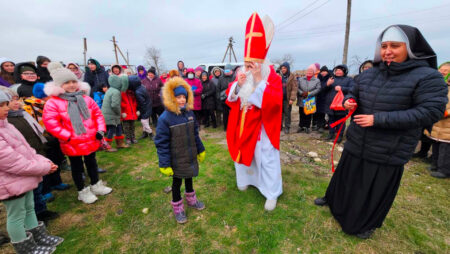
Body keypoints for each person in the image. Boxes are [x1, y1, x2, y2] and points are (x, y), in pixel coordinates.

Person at [314, 25, 448, 239]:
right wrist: (350, 101)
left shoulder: (428, 77)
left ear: (411, 49)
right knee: (346, 175)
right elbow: (353, 92)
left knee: (372, 187)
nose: (388, 51)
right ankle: (334, 201)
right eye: (384, 46)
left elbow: (430, 111)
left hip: (389, 147)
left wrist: (378, 120)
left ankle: (364, 223)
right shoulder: (371, 73)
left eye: (395, 46)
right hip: (358, 140)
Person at [226, 12, 283, 211]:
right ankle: (246, 181)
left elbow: (274, 102)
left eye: (253, 64)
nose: (249, 67)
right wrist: (238, 85)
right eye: (247, 64)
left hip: (262, 127)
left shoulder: (272, 76)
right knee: (243, 155)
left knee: (265, 158)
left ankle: (271, 193)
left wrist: (259, 79)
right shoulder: (242, 73)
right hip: (242, 124)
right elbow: (231, 97)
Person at [0, 89, 63, 253]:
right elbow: (12, 162)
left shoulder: (7, 126)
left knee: (29, 207)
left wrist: (45, 161)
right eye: (1, 105)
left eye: (5, 104)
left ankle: (38, 237)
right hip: (9, 183)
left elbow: (27, 150)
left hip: (23, 179)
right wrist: (43, 168)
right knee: (16, 215)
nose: (6, 108)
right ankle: (25, 247)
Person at [43, 62, 113, 204]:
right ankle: (83, 191)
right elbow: (51, 124)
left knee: (92, 162)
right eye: (67, 82)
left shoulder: (86, 98)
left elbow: (98, 115)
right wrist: (67, 136)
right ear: (58, 85)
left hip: (91, 138)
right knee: (77, 167)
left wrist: (100, 129)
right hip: (72, 141)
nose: (71, 85)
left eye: (74, 81)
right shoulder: (53, 103)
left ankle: (96, 184)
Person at [154, 77, 206, 224]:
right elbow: (161, 142)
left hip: (189, 155)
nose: (182, 100)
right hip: (176, 158)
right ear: (172, 98)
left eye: (184, 97)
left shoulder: (190, 114)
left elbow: (195, 134)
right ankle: (178, 207)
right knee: (177, 183)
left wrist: (200, 150)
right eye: (178, 97)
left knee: (189, 178)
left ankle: (191, 200)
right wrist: (164, 163)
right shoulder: (165, 118)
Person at [423, 61, 450, 178]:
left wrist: (446, 113)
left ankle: (444, 170)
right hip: (437, 123)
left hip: (447, 125)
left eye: (446, 70)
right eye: (441, 69)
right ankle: (435, 164)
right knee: (436, 144)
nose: (443, 72)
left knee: (446, 149)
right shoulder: (441, 86)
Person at [324, 64, 355, 143]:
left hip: (341, 104)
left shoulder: (349, 80)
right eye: (336, 70)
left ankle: (339, 136)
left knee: (340, 121)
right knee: (331, 120)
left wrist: (342, 88)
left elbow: (353, 89)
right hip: (330, 104)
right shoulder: (331, 78)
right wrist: (327, 84)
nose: (338, 71)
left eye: (340, 70)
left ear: (344, 71)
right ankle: (331, 134)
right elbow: (324, 89)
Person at [102, 75, 129, 150]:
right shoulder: (116, 92)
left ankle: (120, 143)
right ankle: (107, 146)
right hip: (111, 115)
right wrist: (119, 113)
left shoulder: (110, 90)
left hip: (109, 114)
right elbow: (114, 105)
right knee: (112, 129)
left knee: (118, 127)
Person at [297, 64, 321, 133]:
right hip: (302, 98)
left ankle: (307, 126)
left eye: (311, 71)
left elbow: (318, 89)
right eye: (308, 71)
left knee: (308, 114)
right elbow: (297, 87)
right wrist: (301, 93)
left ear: (313, 72)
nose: (309, 73)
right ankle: (301, 126)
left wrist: (309, 93)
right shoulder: (301, 79)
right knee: (301, 113)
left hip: (310, 98)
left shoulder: (317, 80)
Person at [128, 75, 154, 140]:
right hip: (148, 105)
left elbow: (141, 102)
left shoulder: (137, 92)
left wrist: (140, 110)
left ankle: (151, 134)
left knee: (143, 121)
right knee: (145, 120)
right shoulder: (141, 87)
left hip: (145, 107)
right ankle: (145, 133)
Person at [280, 62, 297, 134]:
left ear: (288, 68)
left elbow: (294, 88)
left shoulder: (292, 77)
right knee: (280, 113)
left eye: (284, 68)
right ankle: (279, 126)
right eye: (282, 68)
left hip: (287, 98)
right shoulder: (280, 76)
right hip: (279, 98)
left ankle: (287, 127)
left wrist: (292, 99)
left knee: (287, 113)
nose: (283, 69)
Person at [121, 79, 138, 145]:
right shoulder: (122, 93)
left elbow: (135, 101)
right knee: (126, 126)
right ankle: (128, 138)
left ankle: (133, 137)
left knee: (132, 126)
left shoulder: (132, 93)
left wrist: (134, 106)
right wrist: (124, 106)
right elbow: (120, 102)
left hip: (132, 111)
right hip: (126, 112)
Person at [314, 66, 331, 132]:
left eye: (325, 71)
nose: (323, 73)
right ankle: (319, 125)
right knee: (319, 112)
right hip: (319, 97)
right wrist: (326, 85)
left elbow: (327, 87)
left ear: (327, 72)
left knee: (325, 113)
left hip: (327, 98)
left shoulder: (330, 78)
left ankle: (323, 125)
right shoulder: (319, 78)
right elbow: (318, 88)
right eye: (322, 72)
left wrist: (326, 85)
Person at [218, 64, 235, 131]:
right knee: (225, 114)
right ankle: (226, 127)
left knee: (233, 114)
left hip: (233, 99)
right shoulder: (221, 78)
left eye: (228, 70)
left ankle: (233, 126)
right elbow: (218, 89)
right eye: (226, 70)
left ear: (231, 70)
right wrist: (219, 97)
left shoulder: (234, 77)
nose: (227, 72)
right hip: (224, 99)